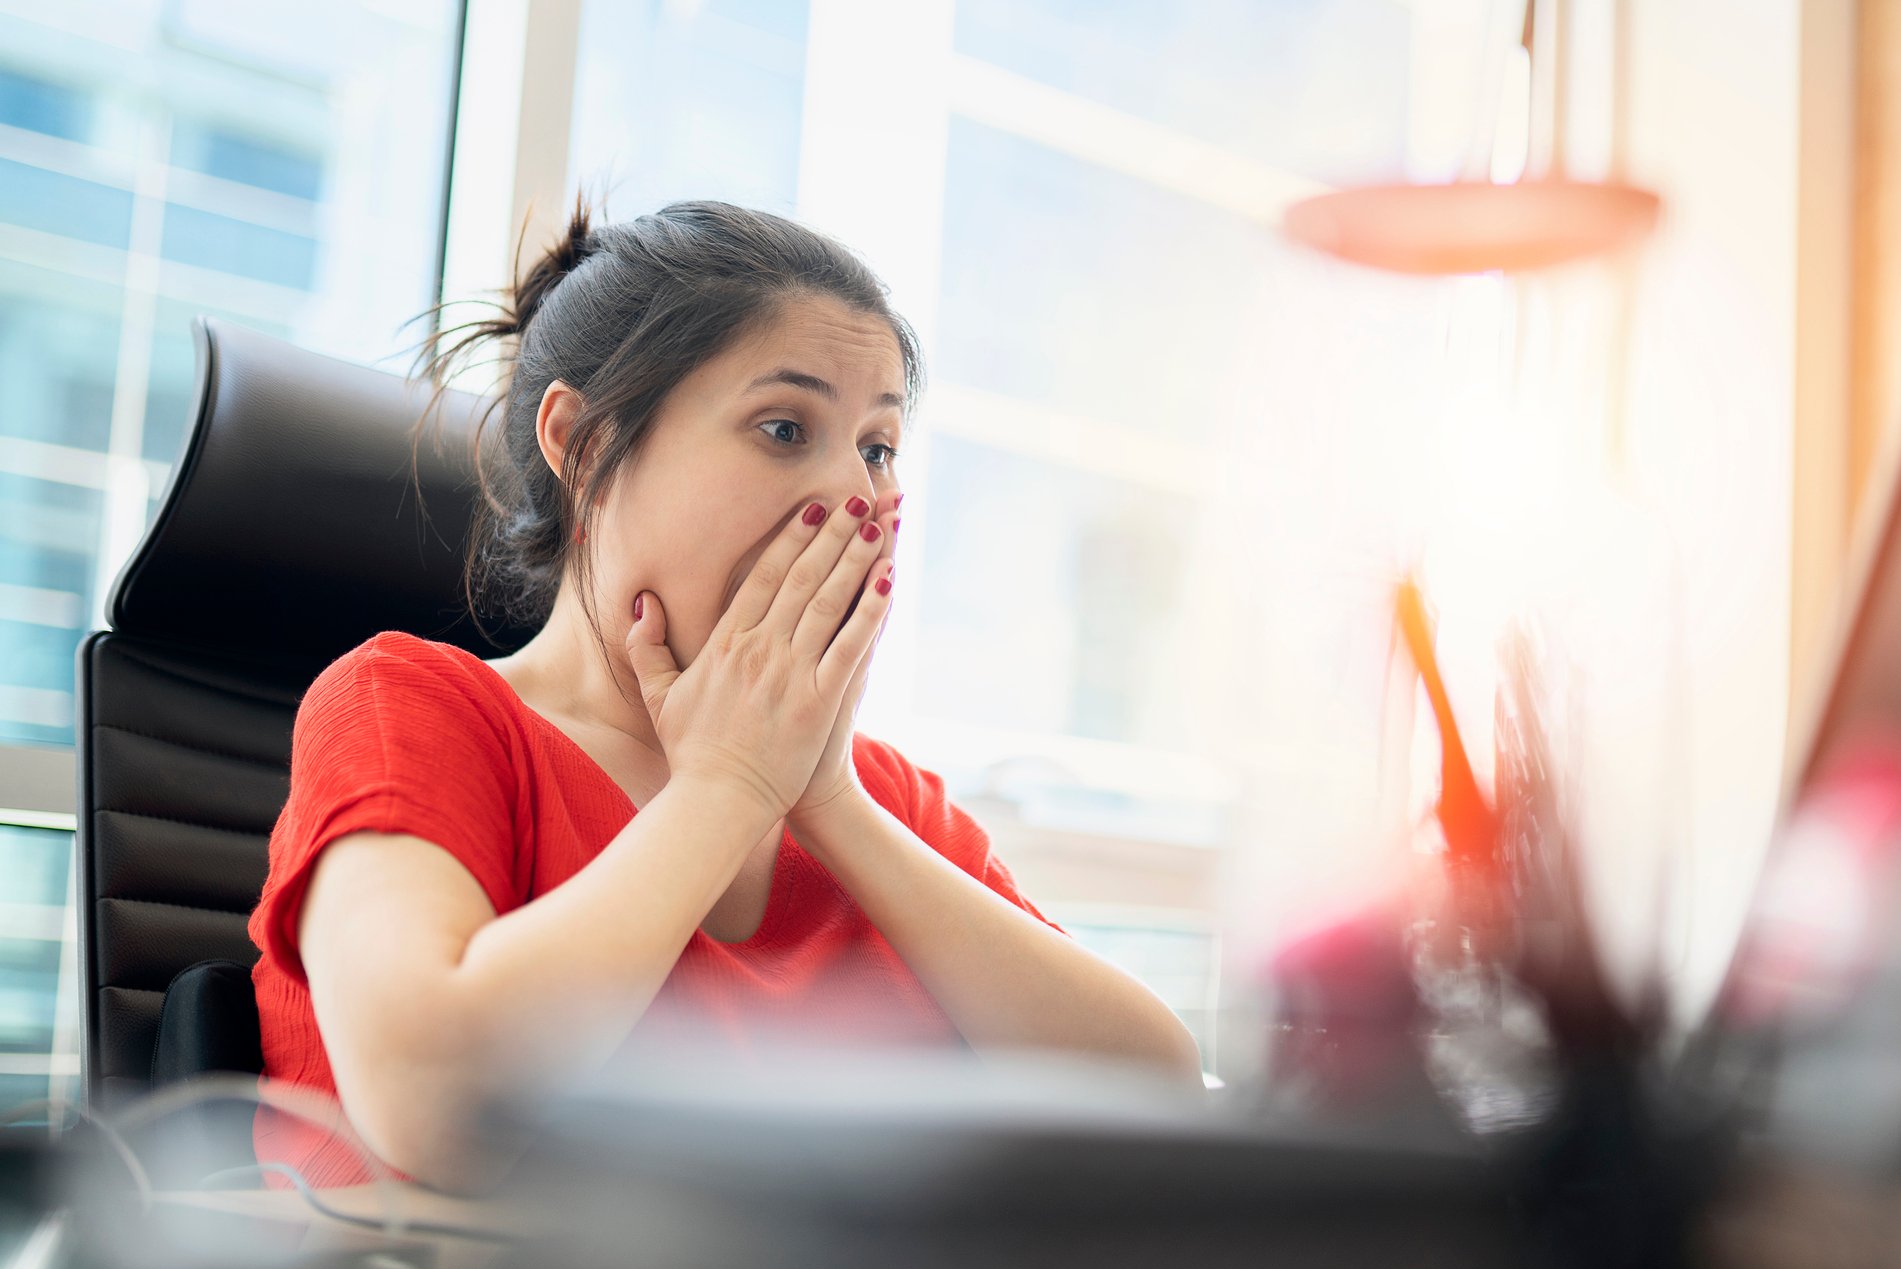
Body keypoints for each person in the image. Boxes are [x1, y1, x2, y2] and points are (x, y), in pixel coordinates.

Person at [247, 199, 1201, 1191]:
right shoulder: (411, 708)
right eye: (784, 428)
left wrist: (825, 804)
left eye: (876, 447)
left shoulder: (884, 800)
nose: (857, 494)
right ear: (581, 447)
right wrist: (728, 785)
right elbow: (432, 1102)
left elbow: (1152, 1096)